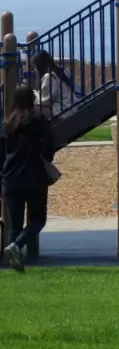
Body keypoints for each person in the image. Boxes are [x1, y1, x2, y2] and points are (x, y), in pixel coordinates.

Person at [1, 87, 56, 272]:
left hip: (10, 178)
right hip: (33, 179)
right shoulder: (39, 121)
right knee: (37, 220)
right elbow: (49, 148)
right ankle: (16, 247)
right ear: (33, 101)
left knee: (14, 225)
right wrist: (44, 159)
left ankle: (13, 261)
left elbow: (1, 155)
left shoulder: (7, 124)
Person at [32, 51, 74, 118]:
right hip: (69, 108)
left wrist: (33, 94)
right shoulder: (59, 72)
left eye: (36, 67)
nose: (35, 69)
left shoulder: (50, 76)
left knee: (30, 108)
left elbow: (44, 101)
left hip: (63, 111)